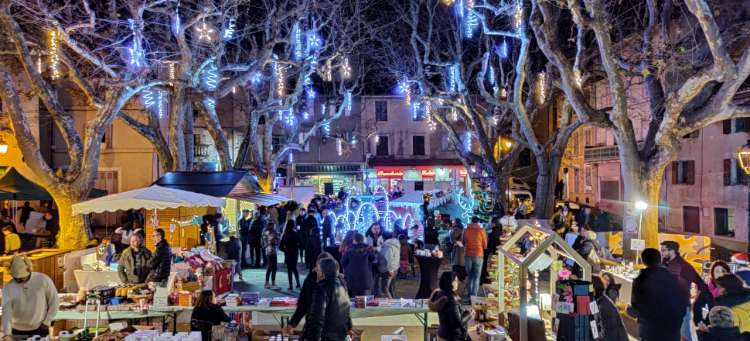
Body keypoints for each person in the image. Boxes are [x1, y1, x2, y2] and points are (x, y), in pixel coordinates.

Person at [630, 248, 688, 341]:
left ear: (643, 261)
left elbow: (636, 305)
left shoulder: (639, 281)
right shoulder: (674, 279)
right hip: (671, 330)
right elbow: (683, 304)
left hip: (649, 331)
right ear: (660, 259)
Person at [2, 255, 58, 338]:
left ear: (29, 271)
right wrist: (7, 333)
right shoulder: (8, 287)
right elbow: (7, 312)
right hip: (17, 330)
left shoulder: (43, 280)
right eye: (16, 278)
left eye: (22, 278)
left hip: (40, 328)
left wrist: (47, 322)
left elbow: (54, 301)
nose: (19, 281)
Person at [302, 258, 352, 341]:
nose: (316, 273)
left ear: (322, 273)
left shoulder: (321, 288)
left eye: (317, 270)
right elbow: (347, 313)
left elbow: (317, 318)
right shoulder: (342, 286)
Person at [287, 252, 333, 334]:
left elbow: (343, 307)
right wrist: (292, 323)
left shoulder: (337, 283)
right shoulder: (310, 280)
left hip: (330, 328)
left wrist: (347, 327)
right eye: (319, 268)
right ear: (316, 266)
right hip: (312, 326)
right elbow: (302, 304)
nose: (320, 272)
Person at [428, 271, 473, 341]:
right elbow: (457, 323)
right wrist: (470, 314)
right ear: (450, 282)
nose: (457, 283)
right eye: (455, 280)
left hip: (443, 334)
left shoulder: (440, 293)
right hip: (452, 337)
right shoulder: (451, 300)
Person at [592, 275, 628, 341]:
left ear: (593, 289)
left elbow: (608, 336)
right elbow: (594, 323)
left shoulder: (604, 307)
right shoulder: (594, 302)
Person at [463, 216, 487, 297]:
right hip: (478, 255)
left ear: (471, 221)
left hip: (468, 255)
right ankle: (474, 296)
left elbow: (463, 242)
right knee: (476, 277)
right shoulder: (481, 231)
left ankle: (469, 295)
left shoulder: (465, 230)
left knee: (469, 276)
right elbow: (485, 245)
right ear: (478, 222)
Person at [280, 220, 302, 291]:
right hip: (295, 253)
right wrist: (297, 247)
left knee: (289, 270)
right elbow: (301, 243)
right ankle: (298, 283)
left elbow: (280, 246)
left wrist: (285, 250)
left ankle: (291, 286)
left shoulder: (285, 235)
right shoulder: (296, 234)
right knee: (295, 268)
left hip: (288, 253)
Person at [378, 232, 401, 299]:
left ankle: (391, 305)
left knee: (385, 289)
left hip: (388, 270)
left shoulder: (388, 246)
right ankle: (393, 301)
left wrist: (390, 270)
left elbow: (388, 259)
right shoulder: (394, 244)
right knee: (390, 288)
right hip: (395, 268)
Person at [482, 218, 502, 284]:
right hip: (498, 254)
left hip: (492, 255)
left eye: (491, 223)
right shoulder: (500, 233)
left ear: (494, 224)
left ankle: (487, 280)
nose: (490, 224)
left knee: (490, 268)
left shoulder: (492, 234)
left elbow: (489, 246)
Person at [262, 223, 279, 289]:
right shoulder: (268, 232)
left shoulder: (267, 232)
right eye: (273, 225)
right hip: (270, 251)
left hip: (271, 251)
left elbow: (276, 240)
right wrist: (274, 239)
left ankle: (271, 283)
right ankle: (270, 283)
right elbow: (273, 241)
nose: (274, 226)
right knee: (271, 267)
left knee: (272, 267)